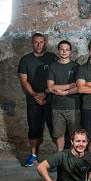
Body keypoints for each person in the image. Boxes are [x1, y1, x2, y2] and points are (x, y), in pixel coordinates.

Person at [18, 33, 57, 167]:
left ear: (45, 43)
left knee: (55, 129)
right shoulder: (25, 60)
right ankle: (33, 155)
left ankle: (59, 156)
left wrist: (45, 94)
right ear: (32, 44)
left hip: (51, 99)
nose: (39, 45)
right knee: (33, 129)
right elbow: (24, 81)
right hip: (33, 101)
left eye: (41, 42)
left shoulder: (52, 58)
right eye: (36, 42)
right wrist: (36, 95)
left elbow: (57, 77)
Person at [47, 40, 80, 153]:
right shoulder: (53, 66)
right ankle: (60, 157)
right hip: (57, 107)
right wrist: (69, 85)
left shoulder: (76, 67)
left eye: (66, 49)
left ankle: (73, 157)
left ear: (70, 51)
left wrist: (62, 89)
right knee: (59, 134)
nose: (64, 51)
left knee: (74, 135)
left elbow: (78, 87)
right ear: (58, 51)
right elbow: (50, 87)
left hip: (73, 106)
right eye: (62, 49)